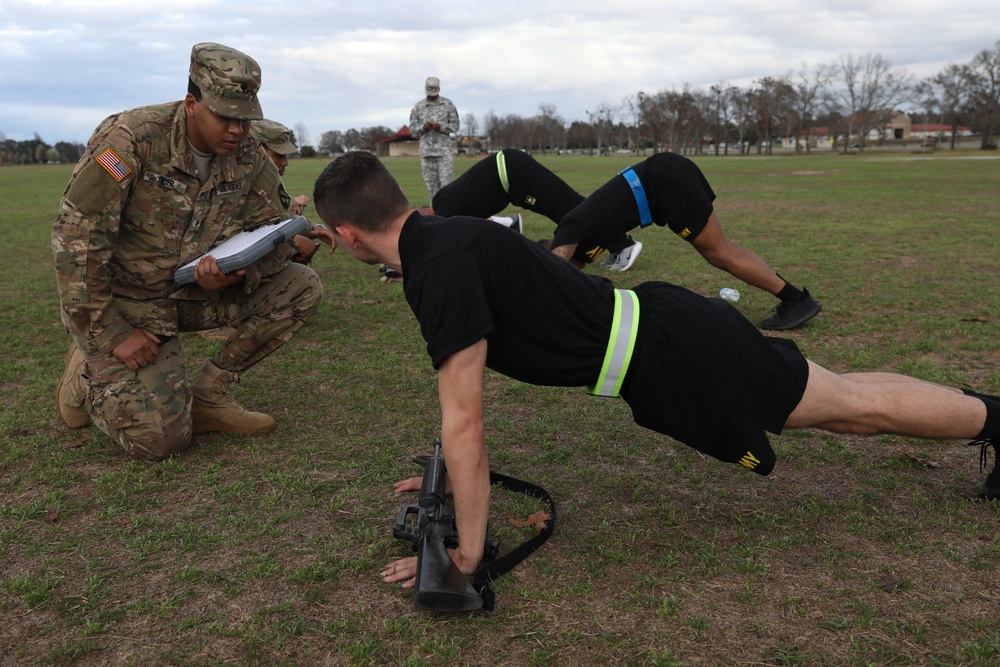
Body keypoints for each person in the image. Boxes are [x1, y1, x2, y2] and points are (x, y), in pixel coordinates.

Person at [310, 151, 999, 592]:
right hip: (667, 334)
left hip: (676, 353)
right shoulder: (448, 237)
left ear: (344, 235)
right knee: (847, 390)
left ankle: (995, 418)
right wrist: (447, 479)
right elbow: (469, 403)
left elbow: (465, 419)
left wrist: (463, 553)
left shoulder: (438, 268)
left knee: (854, 408)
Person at [53, 42, 324, 460]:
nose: (238, 130)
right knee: (160, 440)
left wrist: (239, 273)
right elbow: (77, 239)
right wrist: (112, 333)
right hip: (127, 304)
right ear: (192, 103)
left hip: (193, 293)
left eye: (246, 118)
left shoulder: (250, 156)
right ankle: (86, 369)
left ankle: (210, 393)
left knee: (301, 285)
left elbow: (274, 232)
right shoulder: (132, 139)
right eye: (226, 116)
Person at [549, 152, 822, 330]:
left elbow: (552, 276)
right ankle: (794, 298)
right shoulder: (579, 244)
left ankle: (796, 300)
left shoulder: (568, 231)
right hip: (665, 174)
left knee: (720, 253)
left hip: (665, 184)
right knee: (723, 251)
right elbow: (573, 279)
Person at [429, 148, 638, 265]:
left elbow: (438, 249)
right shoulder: (446, 206)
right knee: (568, 206)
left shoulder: (443, 210)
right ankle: (618, 243)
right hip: (512, 179)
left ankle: (623, 244)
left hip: (513, 173)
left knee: (567, 207)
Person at [408, 76, 460, 203]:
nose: (432, 94)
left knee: (447, 186)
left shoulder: (448, 104)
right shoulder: (418, 107)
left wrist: (441, 127)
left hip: (443, 152)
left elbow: (456, 125)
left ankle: (448, 215)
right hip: (427, 153)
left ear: (438, 89)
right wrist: (423, 127)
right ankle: (435, 216)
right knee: (432, 188)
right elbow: (412, 129)